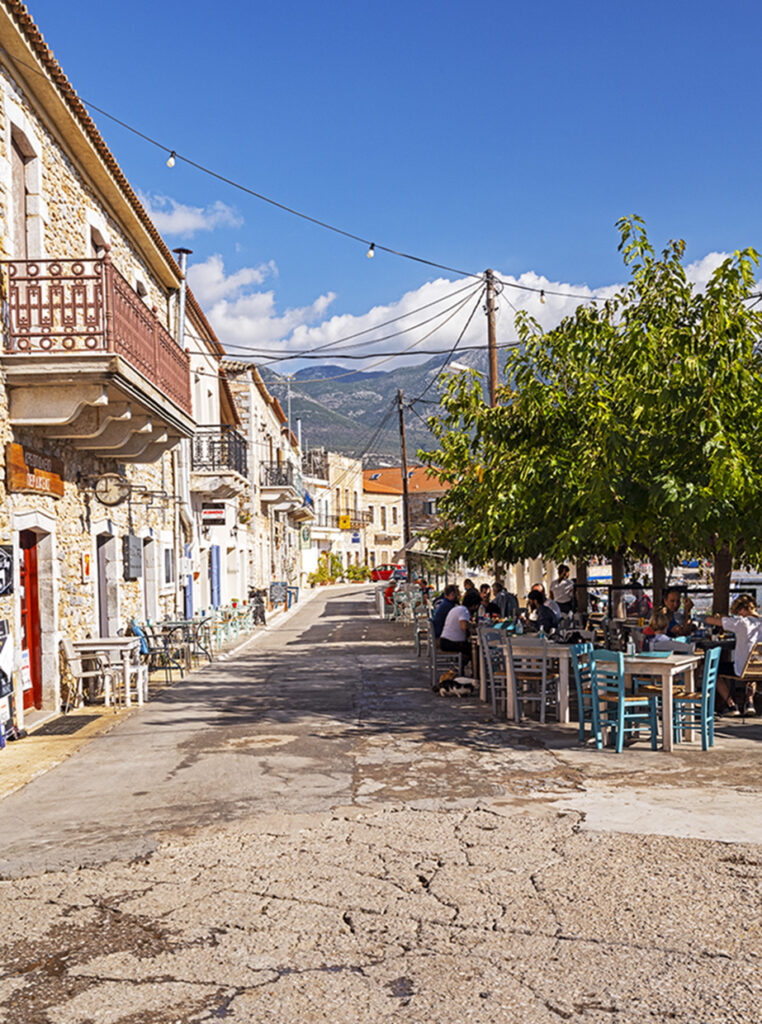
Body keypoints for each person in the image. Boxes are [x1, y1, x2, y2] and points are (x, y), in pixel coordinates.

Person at [705, 594, 762, 716]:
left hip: (741, 669)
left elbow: (709, 620)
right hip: (758, 668)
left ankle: (731, 705)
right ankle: (749, 703)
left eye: (738, 612)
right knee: (752, 666)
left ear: (742, 610)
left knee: (712, 670)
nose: (738, 614)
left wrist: (721, 618)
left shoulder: (741, 622)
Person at [439, 595, 472, 667]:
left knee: (468, 648)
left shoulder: (457, 608)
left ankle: (459, 667)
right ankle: (475, 673)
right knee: (473, 649)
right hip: (450, 643)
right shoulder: (464, 611)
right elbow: (464, 627)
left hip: (445, 641)